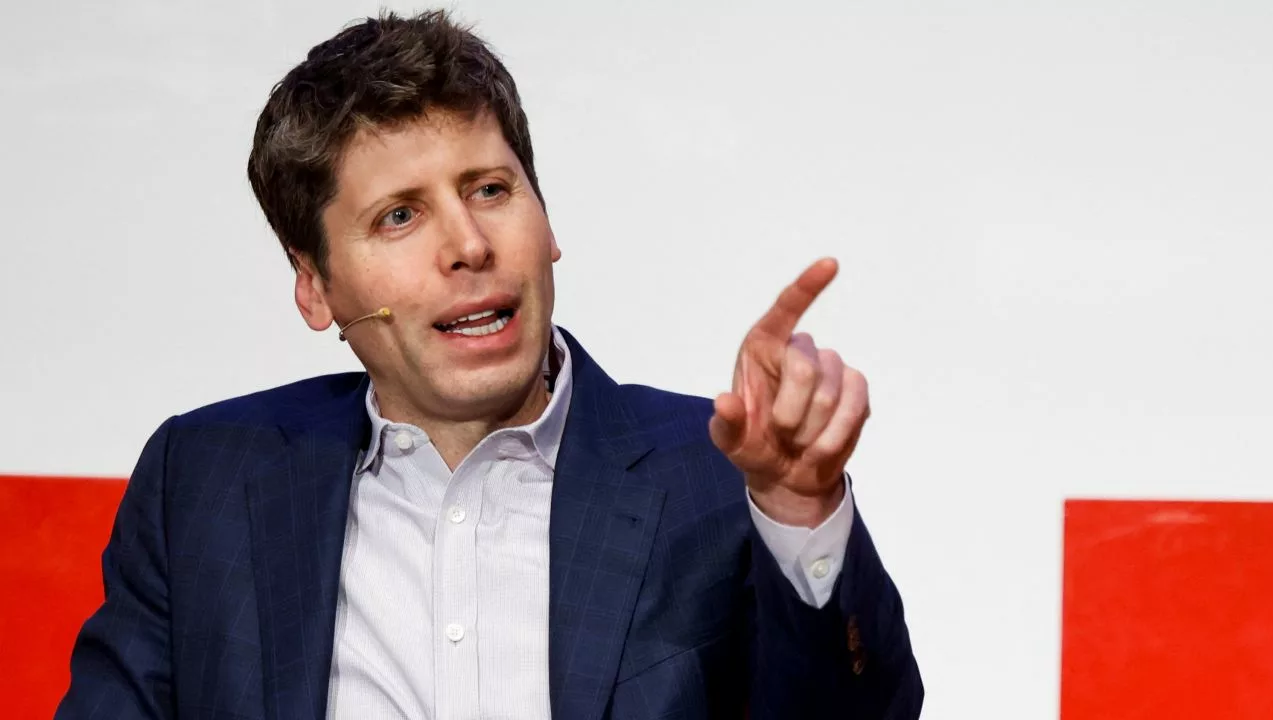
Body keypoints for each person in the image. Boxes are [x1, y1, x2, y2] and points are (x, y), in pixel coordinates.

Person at [56, 10, 922, 719]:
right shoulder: (204, 480)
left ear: (546, 222)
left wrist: (798, 510)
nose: (469, 244)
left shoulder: (717, 473)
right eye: (399, 216)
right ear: (315, 286)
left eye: (490, 190)